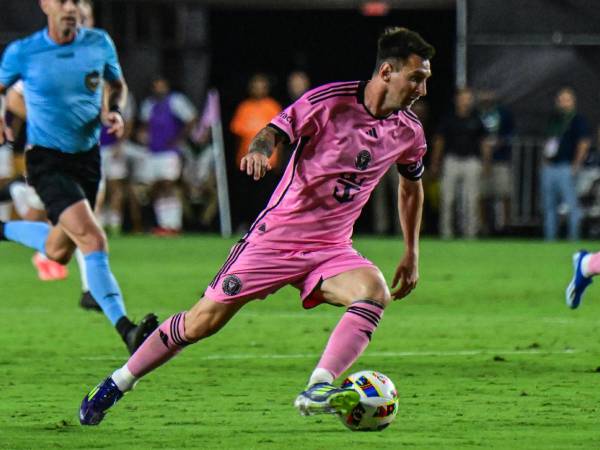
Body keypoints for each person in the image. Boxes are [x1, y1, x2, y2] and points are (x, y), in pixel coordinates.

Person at [79, 26, 433, 426]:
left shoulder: (409, 132)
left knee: (373, 291)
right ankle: (116, 383)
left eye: (425, 80)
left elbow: (410, 188)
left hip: (331, 248)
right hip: (274, 241)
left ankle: (319, 384)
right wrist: (259, 152)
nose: (421, 89)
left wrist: (411, 252)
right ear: (387, 72)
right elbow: (273, 131)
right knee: (200, 323)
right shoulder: (330, 102)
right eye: (416, 78)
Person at [0, 0, 158, 353]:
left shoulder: (98, 43)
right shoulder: (25, 52)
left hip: (87, 159)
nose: (70, 7)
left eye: (76, 1)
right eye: (62, 1)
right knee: (93, 238)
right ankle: (127, 330)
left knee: (58, 250)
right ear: (45, 5)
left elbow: (117, 85)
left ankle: (2, 228)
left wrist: (113, 110)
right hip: (46, 161)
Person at [139, 76, 197, 235]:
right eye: (156, 85)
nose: (159, 88)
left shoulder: (176, 100)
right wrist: (143, 135)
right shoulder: (148, 104)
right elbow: (144, 124)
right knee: (157, 187)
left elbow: (191, 119)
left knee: (169, 184)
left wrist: (178, 139)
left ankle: (174, 224)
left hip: (170, 152)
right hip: (153, 151)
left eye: (161, 85)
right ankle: (164, 224)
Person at [430, 88, 489, 239]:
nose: (466, 101)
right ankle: (446, 233)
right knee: (448, 198)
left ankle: (470, 233)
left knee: (471, 199)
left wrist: (486, 162)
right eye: (463, 98)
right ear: (457, 100)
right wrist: (435, 163)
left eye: (469, 98)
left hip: (471, 161)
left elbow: (484, 142)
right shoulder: (448, 118)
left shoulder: (477, 118)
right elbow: (439, 141)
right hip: (452, 160)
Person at [229, 73, 282, 229]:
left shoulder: (273, 106)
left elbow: (280, 136)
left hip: (268, 161)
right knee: (246, 195)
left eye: (261, 85)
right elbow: (237, 135)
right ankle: (245, 224)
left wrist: (279, 161)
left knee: (266, 195)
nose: (258, 88)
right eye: (255, 85)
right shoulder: (244, 107)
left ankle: (265, 225)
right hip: (246, 160)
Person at [540, 87, 591, 240]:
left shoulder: (578, 120)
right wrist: (544, 161)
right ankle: (550, 239)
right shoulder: (554, 120)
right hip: (550, 167)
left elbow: (583, 143)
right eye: (561, 100)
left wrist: (576, 164)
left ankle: (573, 237)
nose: (564, 103)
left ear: (573, 102)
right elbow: (549, 142)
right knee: (549, 206)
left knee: (571, 204)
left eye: (567, 100)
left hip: (566, 166)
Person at [477, 89, 515, 235]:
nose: (486, 96)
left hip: (500, 159)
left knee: (504, 192)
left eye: (489, 93)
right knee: (482, 194)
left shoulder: (503, 113)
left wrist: (501, 142)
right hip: (481, 160)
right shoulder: (476, 114)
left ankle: (506, 226)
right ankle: (484, 226)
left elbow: (512, 133)